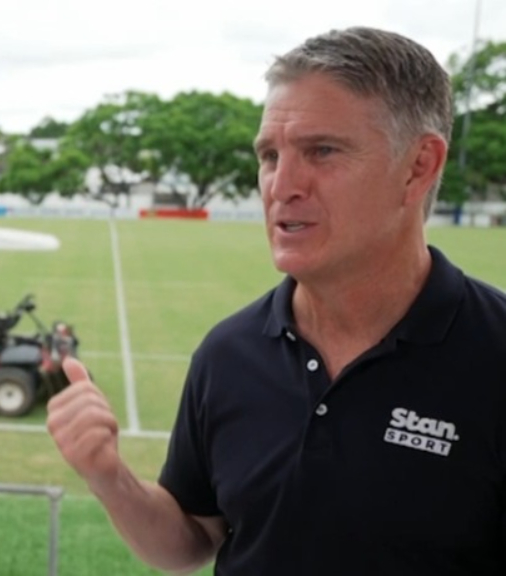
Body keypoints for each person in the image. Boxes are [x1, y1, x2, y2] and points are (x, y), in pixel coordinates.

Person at [48, 26, 506, 575]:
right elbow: (191, 540)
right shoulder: (228, 353)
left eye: (322, 150)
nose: (281, 184)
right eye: (270, 155)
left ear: (418, 166)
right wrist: (110, 478)